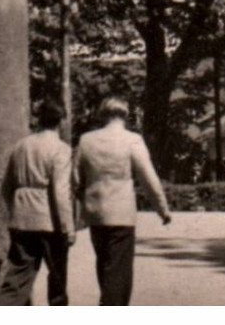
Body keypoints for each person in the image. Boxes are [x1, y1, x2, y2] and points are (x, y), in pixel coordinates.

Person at [75, 96, 172, 305]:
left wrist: (82, 202)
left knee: (104, 266)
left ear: (103, 114)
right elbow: (148, 178)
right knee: (119, 271)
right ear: (125, 115)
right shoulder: (132, 140)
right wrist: (162, 209)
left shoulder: (86, 140)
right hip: (121, 214)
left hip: (95, 213)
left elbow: (75, 178)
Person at [0, 98, 74, 306]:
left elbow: (6, 188)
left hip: (22, 220)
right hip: (50, 222)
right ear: (61, 121)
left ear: (39, 119)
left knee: (17, 279)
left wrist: (16, 210)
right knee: (57, 281)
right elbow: (60, 192)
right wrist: (68, 227)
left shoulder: (20, 146)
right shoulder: (61, 149)